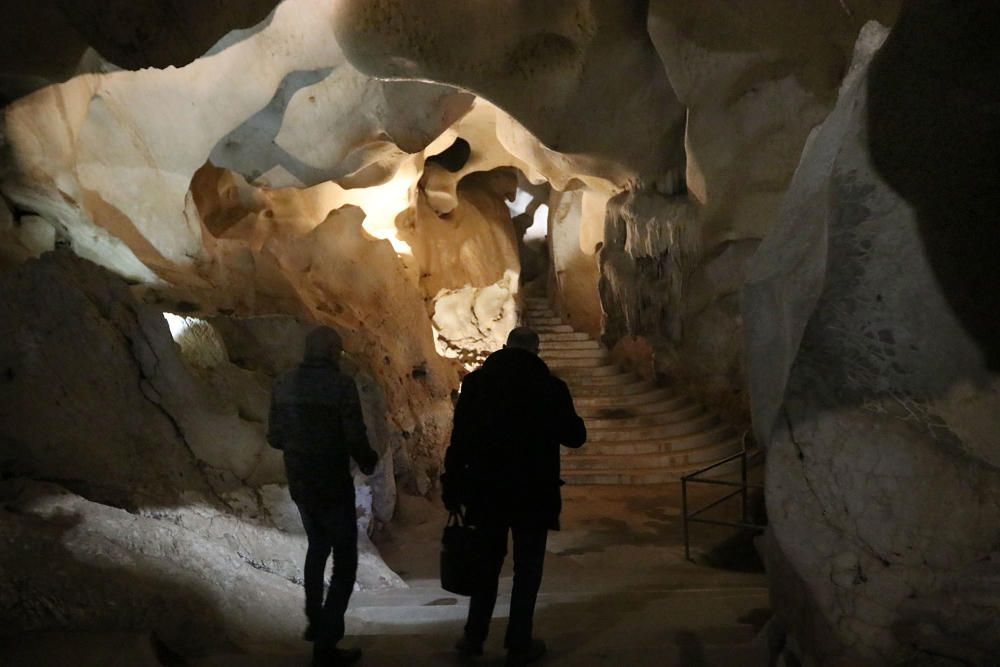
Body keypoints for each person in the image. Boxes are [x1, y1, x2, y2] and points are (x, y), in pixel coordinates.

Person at [442, 326, 587, 666]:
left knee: (485, 566)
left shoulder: (476, 385)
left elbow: (459, 439)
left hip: (485, 491)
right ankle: (518, 642)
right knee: (527, 570)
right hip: (533, 493)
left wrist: (452, 484)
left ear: (505, 347)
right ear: (536, 351)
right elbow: (575, 436)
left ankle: (473, 638)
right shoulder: (550, 388)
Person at [267, 326, 378, 667]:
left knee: (317, 546)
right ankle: (326, 643)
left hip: (300, 480)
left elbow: (274, 437)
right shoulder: (340, 385)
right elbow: (353, 433)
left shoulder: (283, 383)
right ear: (334, 352)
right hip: (331, 479)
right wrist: (368, 460)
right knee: (345, 559)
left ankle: (314, 617)